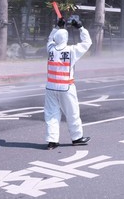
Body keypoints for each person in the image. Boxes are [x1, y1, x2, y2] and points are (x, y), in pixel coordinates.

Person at [44, 17, 92, 150]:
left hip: (50, 87)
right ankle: (77, 138)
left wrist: (56, 27)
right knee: (72, 113)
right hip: (66, 87)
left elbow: (49, 40)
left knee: (51, 114)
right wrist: (81, 27)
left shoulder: (51, 49)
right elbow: (87, 42)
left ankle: (52, 141)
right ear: (66, 39)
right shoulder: (72, 51)